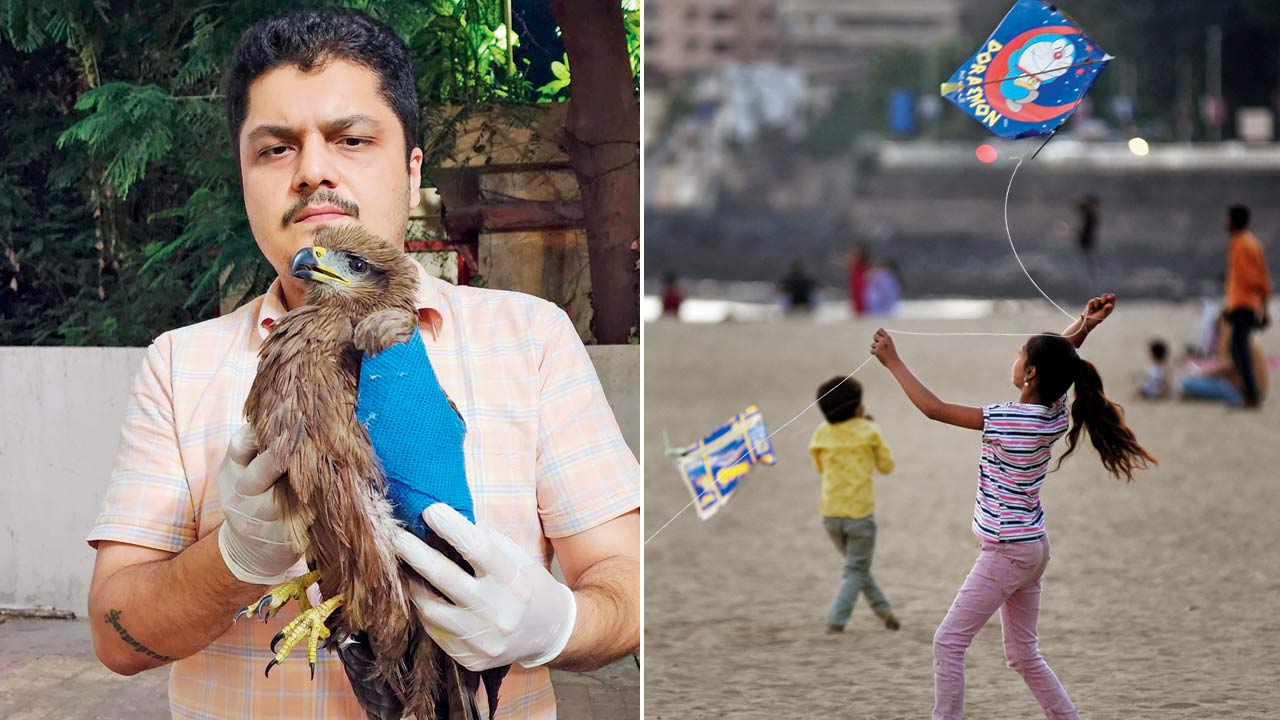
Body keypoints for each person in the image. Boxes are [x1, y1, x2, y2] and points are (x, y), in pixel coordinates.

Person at [84, 8, 639, 718]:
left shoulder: (530, 339)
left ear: (412, 176)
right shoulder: (178, 365)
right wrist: (236, 560)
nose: (313, 170)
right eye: (275, 149)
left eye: (351, 139)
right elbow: (114, 635)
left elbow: (630, 584)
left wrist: (557, 622)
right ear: (245, 179)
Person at [870, 293, 1156, 720]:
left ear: (1030, 374)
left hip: (1007, 550)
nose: (1015, 356)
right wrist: (1085, 326)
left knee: (948, 642)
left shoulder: (1010, 418)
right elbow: (1062, 361)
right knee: (1023, 654)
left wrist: (893, 361)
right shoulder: (1055, 411)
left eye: (1021, 354)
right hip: (1032, 547)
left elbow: (934, 409)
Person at [809, 376, 900, 635]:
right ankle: (837, 621)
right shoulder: (869, 431)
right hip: (860, 516)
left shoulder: (821, 433)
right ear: (856, 407)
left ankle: (884, 612)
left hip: (830, 515)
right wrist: (871, 433)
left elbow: (819, 467)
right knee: (855, 569)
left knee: (856, 568)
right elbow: (887, 467)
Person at [1222, 204, 1272, 408]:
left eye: (1227, 219)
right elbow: (1263, 279)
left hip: (1243, 305)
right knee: (1238, 348)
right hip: (1245, 304)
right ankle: (1249, 393)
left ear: (1233, 221)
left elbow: (1251, 279)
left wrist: (1243, 305)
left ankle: (1250, 395)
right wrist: (1264, 307)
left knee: (1238, 349)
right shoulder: (1253, 243)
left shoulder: (1240, 245)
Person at [1180, 316, 1269, 406]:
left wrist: (1201, 372)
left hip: (1240, 390)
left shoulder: (1232, 338)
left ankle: (1237, 398)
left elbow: (1227, 366)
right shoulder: (1244, 337)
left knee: (1187, 382)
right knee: (1195, 382)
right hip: (1256, 390)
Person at [1075, 194, 1099, 284]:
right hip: (1085, 243)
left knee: (1089, 266)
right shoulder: (1088, 214)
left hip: (1088, 244)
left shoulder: (1092, 216)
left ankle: (1090, 283)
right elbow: (1079, 207)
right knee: (1087, 266)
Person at [849, 244, 870, 316]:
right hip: (856, 285)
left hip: (861, 285)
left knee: (862, 300)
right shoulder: (855, 264)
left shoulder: (862, 263)